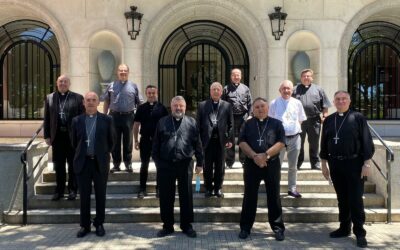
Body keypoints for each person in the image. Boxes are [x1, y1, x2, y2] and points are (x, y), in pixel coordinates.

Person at [320, 90, 374, 248]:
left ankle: (360, 233)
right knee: (342, 199)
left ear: (349, 101)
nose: (341, 101)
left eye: (344, 99)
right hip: (335, 164)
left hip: (355, 164)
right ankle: (344, 228)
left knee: (355, 199)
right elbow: (324, 143)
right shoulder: (329, 120)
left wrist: (367, 163)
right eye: (338, 99)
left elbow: (366, 141)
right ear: (334, 102)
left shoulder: (358, 118)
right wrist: (324, 164)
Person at [152, 96, 203, 238]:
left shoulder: (191, 122)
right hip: (165, 165)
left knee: (186, 196)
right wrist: (158, 163)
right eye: (176, 106)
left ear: (185, 108)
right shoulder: (162, 122)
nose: (178, 108)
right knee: (166, 197)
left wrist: (200, 162)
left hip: (185, 164)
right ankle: (167, 226)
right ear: (171, 106)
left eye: (181, 106)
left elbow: (197, 143)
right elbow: (156, 144)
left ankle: (186, 226)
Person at [238, 97, 286, 241]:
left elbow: (281, 142)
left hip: (271, 164)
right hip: (252, 165)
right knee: (249, 196)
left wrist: (265, 155)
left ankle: (278, 228)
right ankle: (245, 228)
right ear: (253, 109)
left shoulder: (277, 124)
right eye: (257, 107)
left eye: (262, 106)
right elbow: (241, 141)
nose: (260, 109)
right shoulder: (247, 124)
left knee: (274, 196)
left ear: (268, 108)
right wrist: (255, 156)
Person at [71, 92, 116, 238]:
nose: (90, 102)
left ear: (98, 103)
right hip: (83, 163)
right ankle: (85, 225)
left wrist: (102, 153)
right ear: (83, 103)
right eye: (88, 100)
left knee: (100, 195)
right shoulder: (76, 120)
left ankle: (99, 223)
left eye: (94, 100)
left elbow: (112, 141)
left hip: (99, 163)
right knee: (84, 196)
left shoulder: (107, 119)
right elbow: (73, 142)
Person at [44, 75, 84, 201]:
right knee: (59, 165)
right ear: (57, 83)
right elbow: (47, 119)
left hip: (72, 137)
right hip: (57, 137)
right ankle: (59, 191)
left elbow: (82, 119)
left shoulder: (77, 98)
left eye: (65, 82)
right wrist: (47, 136)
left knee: (73, 165)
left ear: (69, 84)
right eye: (60, 81)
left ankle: (73, 190)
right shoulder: (50, 98)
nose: (63, 83)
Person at [102, 63, 142, 173]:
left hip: (129, 117)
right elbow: (106, 101)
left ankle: (128, 164)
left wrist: (139, 118)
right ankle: (116, 164)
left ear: (128, 72)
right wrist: (104, 116)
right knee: (115, 141)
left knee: (128, 141)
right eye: (121, 70)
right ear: (117, 72)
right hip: (114, 116)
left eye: (125, 71)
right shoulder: (111, 85)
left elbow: (139, 103)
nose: (123, 72)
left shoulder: (134, 86)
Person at [269, 80, 307, 198]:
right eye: (284, 88)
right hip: (279, 140)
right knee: (276, 166)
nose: (286, 90)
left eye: (288, 88)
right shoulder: (274, 103)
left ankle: (292, 188)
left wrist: (293, 129)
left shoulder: (297, 103)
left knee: (293, 166)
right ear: (280, 90)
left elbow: (300, 119)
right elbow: (270, 121)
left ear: (292, 90)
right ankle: (274, 188)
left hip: (295, 138)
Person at [197, 82, 234, 198]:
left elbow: (231, 124)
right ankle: (208, 188)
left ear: (221, 92)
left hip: (221, 141)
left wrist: (229, 139)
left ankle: (218, 188)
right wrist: (198, 142)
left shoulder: (227, 106)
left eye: (218, 89)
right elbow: (198, 125)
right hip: (207, 142)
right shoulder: (202, 105)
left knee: (220, 166)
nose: (216, 91)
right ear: (210, 91)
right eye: (214, 89)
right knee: (207, 166)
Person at [133, 85, 168, 199]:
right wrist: (136, 140)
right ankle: (142, 189)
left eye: (153, 93)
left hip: (158, 142)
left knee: (160, 166)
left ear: (157, 93)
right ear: (146, 94)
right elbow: (136, 125)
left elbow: (166, 126)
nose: (151, 95)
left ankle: (159, 189)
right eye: (149, 93)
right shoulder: (141, 108)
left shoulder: (162, 108)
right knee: (144, 165)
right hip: (145, 140)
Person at [292, 69, 331, 170]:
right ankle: (298, 163)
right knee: (298, 143)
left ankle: (315, 163)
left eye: (308, 76)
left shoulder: (319, 89)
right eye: (304, 76)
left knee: (314, 143)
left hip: (314, 120)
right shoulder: (294, 89)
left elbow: (325, 105)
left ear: (312, 78)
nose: (306, 78)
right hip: (299, 121)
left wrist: (325, 116)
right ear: (301, 78)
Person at [222, 68, 252, 168]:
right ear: (231, 76)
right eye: (234, 75)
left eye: (238, 75)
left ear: (241, 76)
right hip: (230, 117)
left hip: (243, 117)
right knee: (229, 139)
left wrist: (249, 115)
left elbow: (250, 104)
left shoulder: (246, 89)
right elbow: (222, 104)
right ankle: (229, 162)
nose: (236, 77)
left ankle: (243, 161)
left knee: (243, 139)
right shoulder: (226, 89)